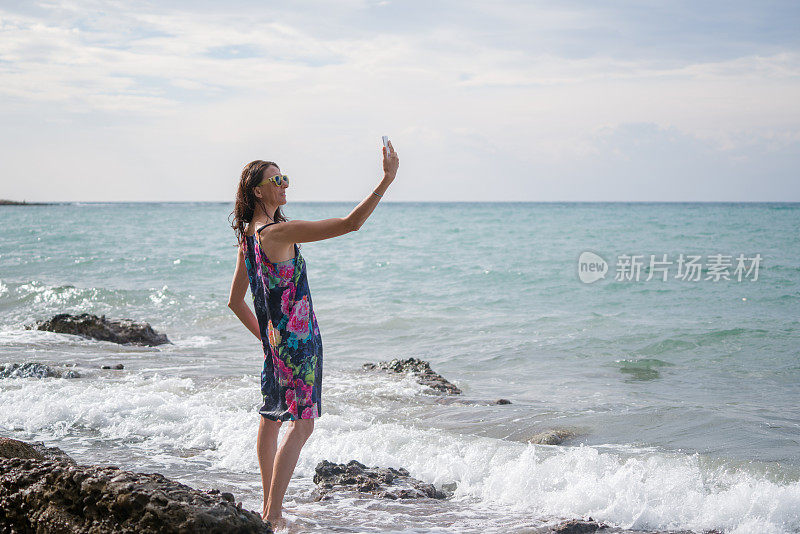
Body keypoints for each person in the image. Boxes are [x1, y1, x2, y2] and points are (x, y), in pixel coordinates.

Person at [226, 141, 399, 525]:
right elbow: (350, 224)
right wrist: (386, 179)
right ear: (258, 190)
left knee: (271, 419)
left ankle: (269, 508)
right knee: (301, 425)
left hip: (276, 346)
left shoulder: (248, 240)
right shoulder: (277, 232)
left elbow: (235, 302)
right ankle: (272, 515)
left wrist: (267, 342)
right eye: (277, 180)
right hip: (299, 344)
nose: (285, 184)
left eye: (285, 178)